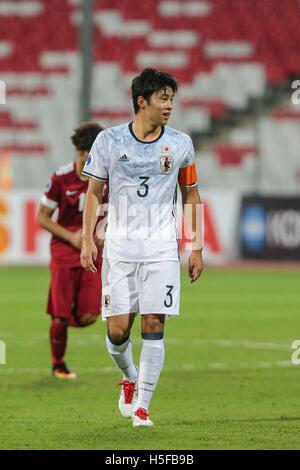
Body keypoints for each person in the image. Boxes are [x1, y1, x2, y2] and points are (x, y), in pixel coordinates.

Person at [80, 68, 203, 426]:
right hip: (119, 248)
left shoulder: (181, 144)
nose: (169, 106)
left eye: (172, 99)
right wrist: (87, 237)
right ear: (142, 101)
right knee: (118, 331)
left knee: (154, 321)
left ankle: (143, 408)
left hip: (162, 248)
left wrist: (195, 245)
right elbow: (93, 193)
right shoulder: (109, 141)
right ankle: (130, 376)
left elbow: (191, 194)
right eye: (163, 98)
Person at [38, 122, 107, 379]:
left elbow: (117, 212)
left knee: (90, 315)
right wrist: (71, 236)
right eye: (88, 154)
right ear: (79, 152)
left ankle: (61, 319)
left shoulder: (106, 177)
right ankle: (58, 362)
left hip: (93, 253)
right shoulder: (60, 178)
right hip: (65, 253)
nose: (92, 160)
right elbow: (42, 217)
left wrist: (102, 233)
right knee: (61, 315)